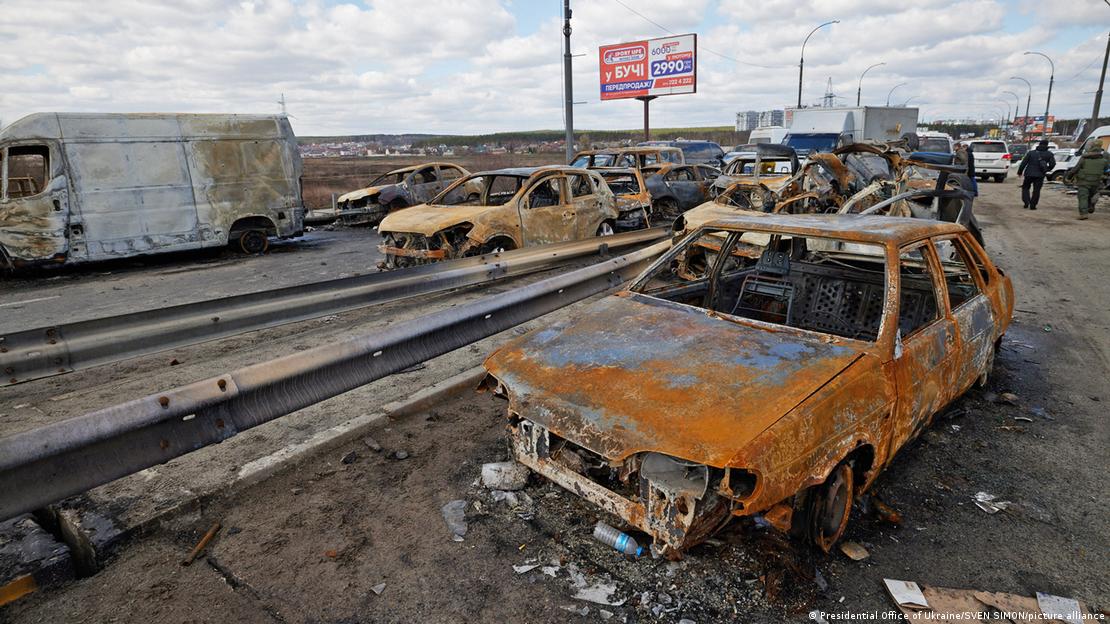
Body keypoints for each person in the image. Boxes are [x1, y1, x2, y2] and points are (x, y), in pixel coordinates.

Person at [1064, 144, 1110, 220]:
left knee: (1083, 197)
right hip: (1096, 182)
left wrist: (1069, 177)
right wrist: (1104, 177)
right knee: (1092, 195)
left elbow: (1076, 169)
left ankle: (1083, 214)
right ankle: (1091, 203)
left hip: (1083, 181)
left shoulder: (1084, 159)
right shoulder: (1104, 161)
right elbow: (1107, 171)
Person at [1016, 140, 1055, 210]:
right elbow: (1052, 164)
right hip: (1040, 175)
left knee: (1025, 188)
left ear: (1039, 145)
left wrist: (1019, 172)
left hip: (1029, 174)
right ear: (1047, 145)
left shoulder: (1031, 153)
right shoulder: (1049, 154)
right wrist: (1047, 169)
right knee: (1036, 190)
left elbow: (1023, 163)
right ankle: (1033, 205)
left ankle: (1026, 202)